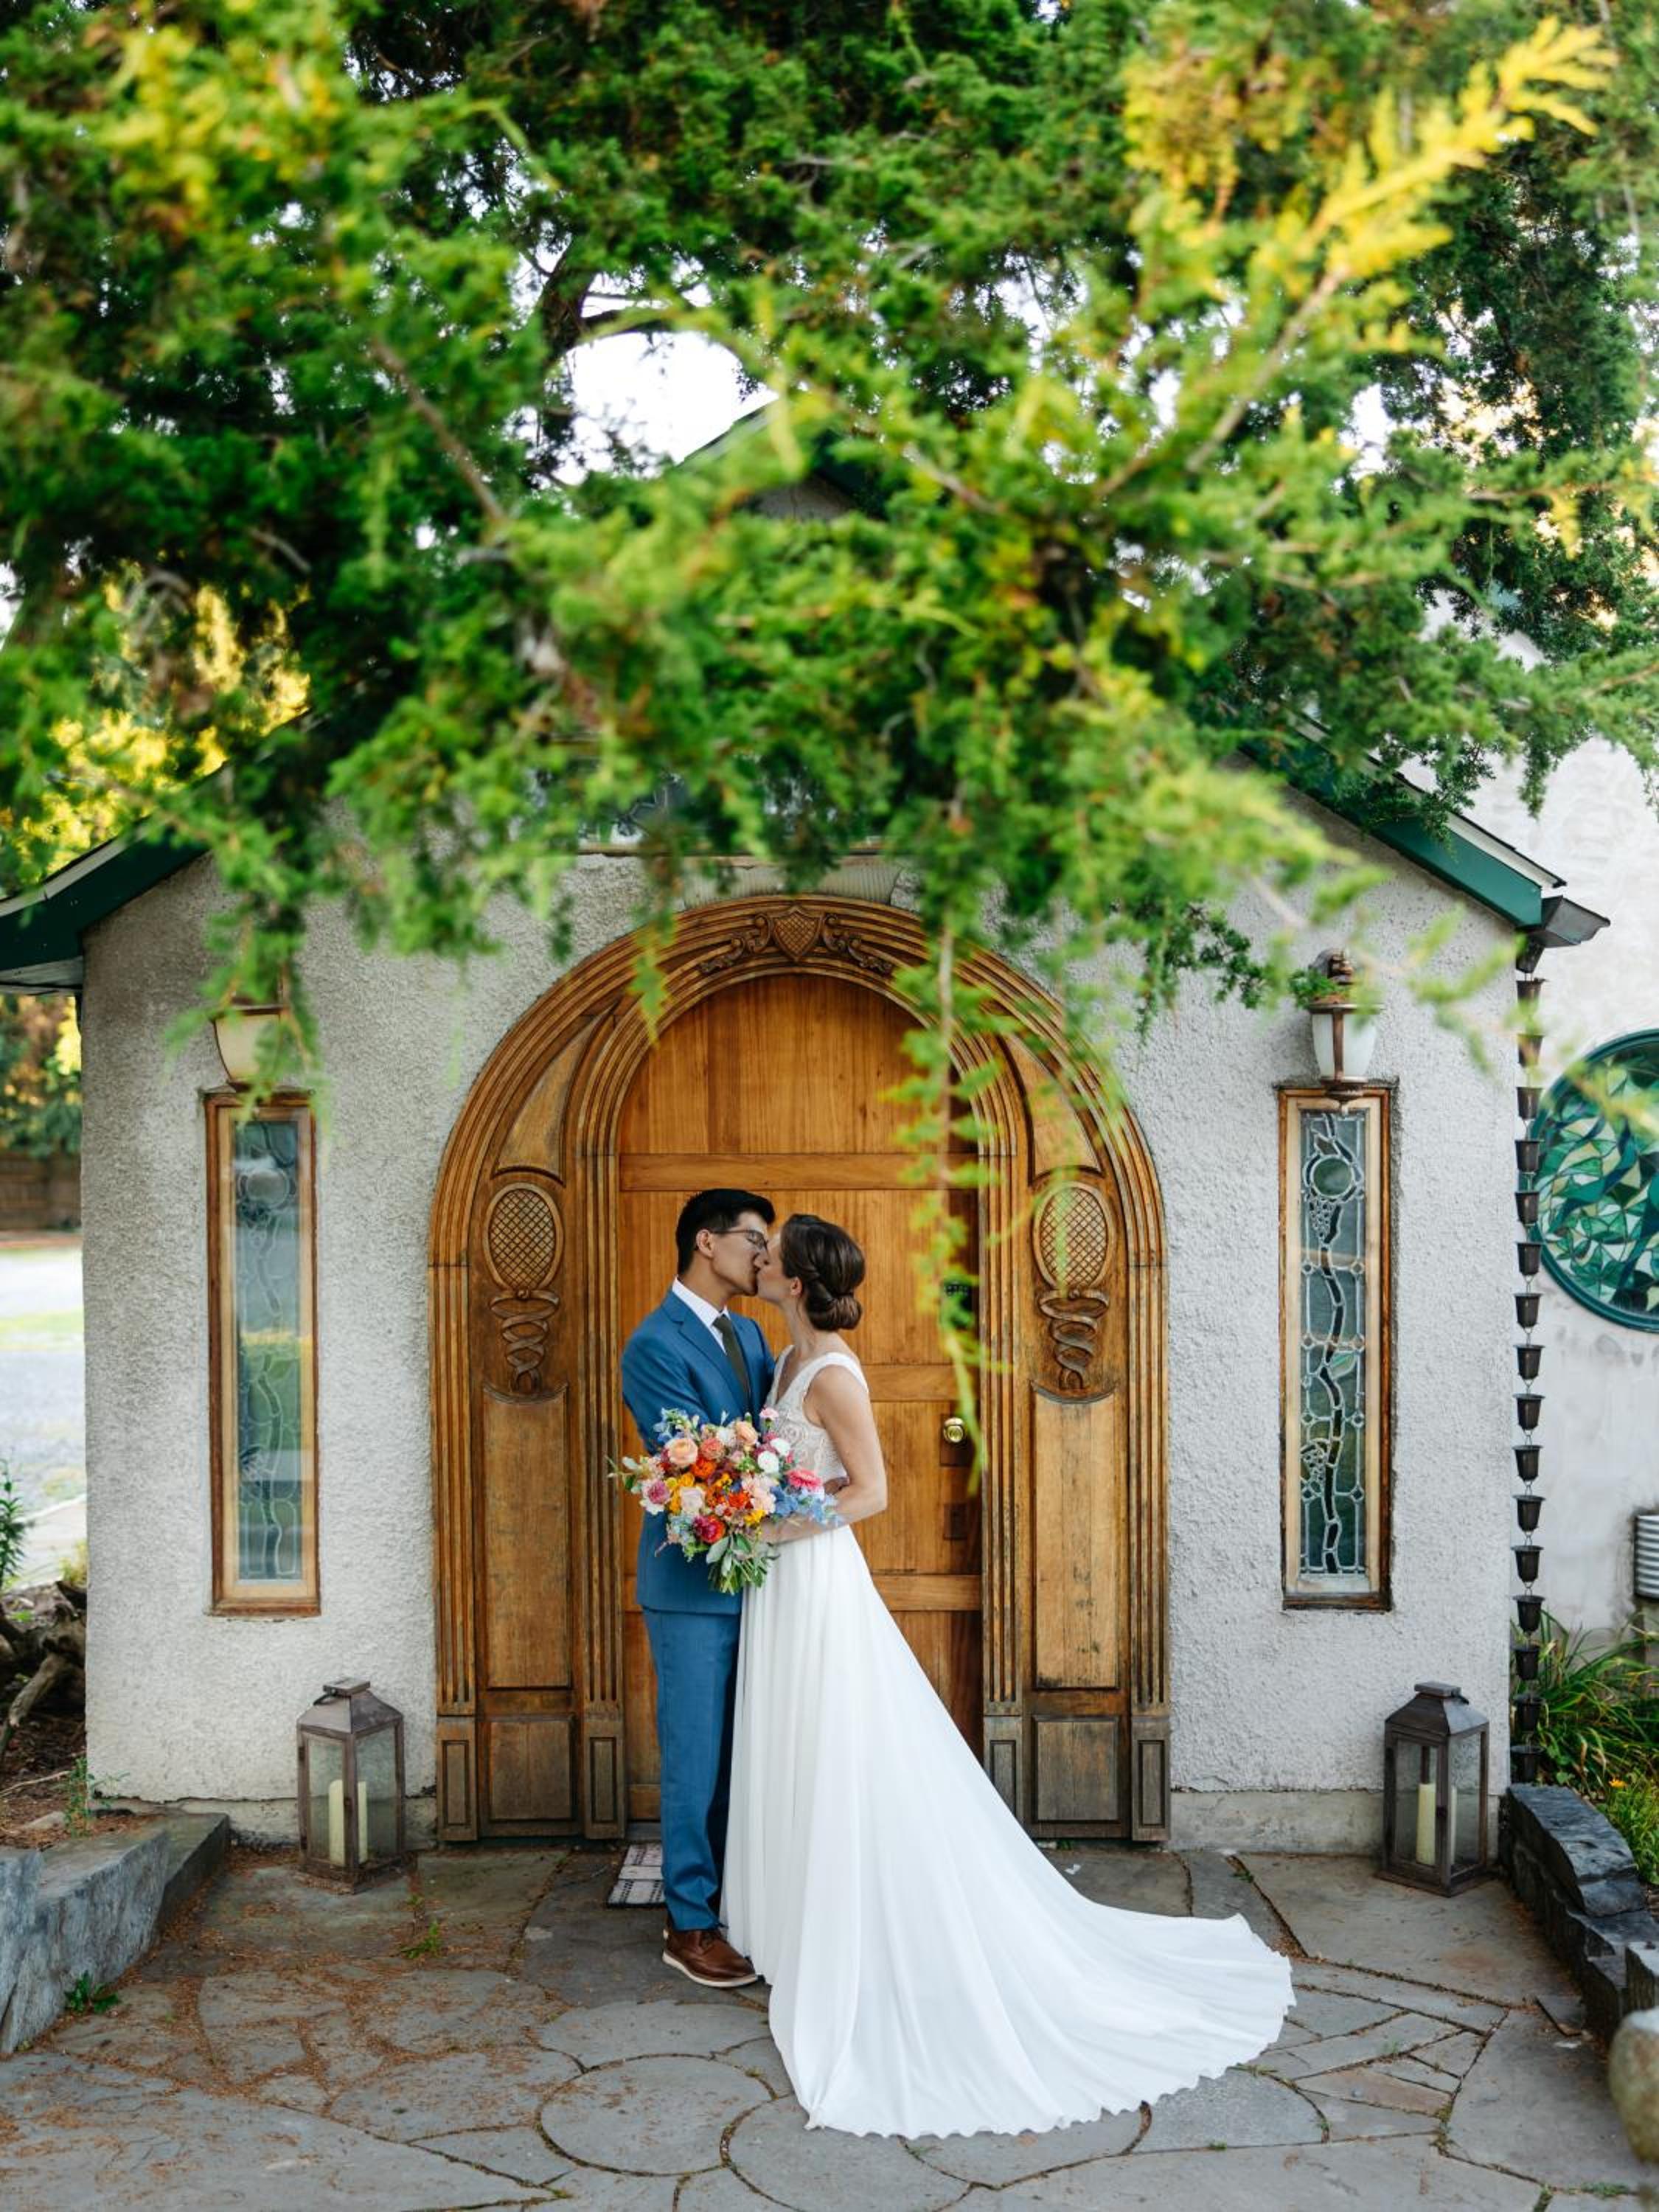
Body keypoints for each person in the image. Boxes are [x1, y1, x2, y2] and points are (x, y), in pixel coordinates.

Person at [722, 1211, 1295, 2138]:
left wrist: (773, 1526)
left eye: (770, 1251)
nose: (758, 1256)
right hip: (778, 1584)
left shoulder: (832, 1376)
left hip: (814, 1579)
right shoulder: (785, 1361)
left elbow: (871, 1491)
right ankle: (791, 1925)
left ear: (793, 1281)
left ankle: (853, 1931)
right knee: (790, 1740)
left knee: (833, 1743)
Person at [619, 1186, 776, 1990]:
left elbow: (772, 1433)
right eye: (755, 1240)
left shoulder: (750, 1333)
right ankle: (688, 1922)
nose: (765, 1256)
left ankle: (735, 1899)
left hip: (763, 1578)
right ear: (707, 1243)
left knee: (749, 1752)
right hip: (690, 1586)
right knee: (695, 1757)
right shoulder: (654, 1344)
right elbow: (697, 1464)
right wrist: (781, 1484)